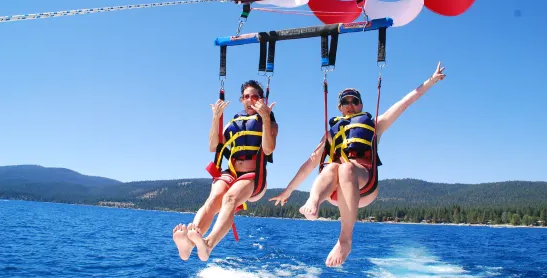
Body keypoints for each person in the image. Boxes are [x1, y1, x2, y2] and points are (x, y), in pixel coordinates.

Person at [269, 62, 446, 267]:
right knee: (333, 166)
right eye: (346, 102)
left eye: (355, 101)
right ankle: (314, 202)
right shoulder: (331, 134)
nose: (351, 105)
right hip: (335, 192)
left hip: (364, 187)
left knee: (346, 167)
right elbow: (309, 164)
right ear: (340, 107)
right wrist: (288, 191)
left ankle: (345, 240)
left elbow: (405, 102)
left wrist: (430, 81)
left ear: (361, 105)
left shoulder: (375, 124)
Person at [172, 80, 278, 262]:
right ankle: (189, 244)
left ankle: (208, 244)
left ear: (261, 99)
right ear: (241, 99)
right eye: (247, 97)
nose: (250, 100)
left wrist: (266, 118)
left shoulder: (268, 121)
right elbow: (213, 146)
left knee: (229, 198)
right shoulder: (234, 122)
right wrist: (216, 117)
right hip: (231, 173)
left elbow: (268, 149)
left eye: (255, 96)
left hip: (254, 177)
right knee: (213, 200)